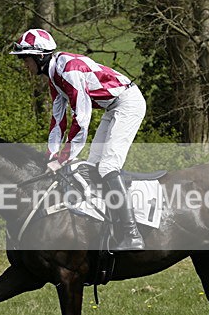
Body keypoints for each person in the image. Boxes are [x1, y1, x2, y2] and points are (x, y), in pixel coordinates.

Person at [10, 28, 146, 251]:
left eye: (25, 58)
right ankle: (106, 227)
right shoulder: (54, 76)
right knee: (92, 168)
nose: (24, 64)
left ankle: (132, 234)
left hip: (127, 103)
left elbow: (81, 120)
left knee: (108, 166)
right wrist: (50, 156)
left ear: (40, 56)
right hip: (112, 107)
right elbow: (57, 121)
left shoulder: (69, 70)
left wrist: (62, 160)